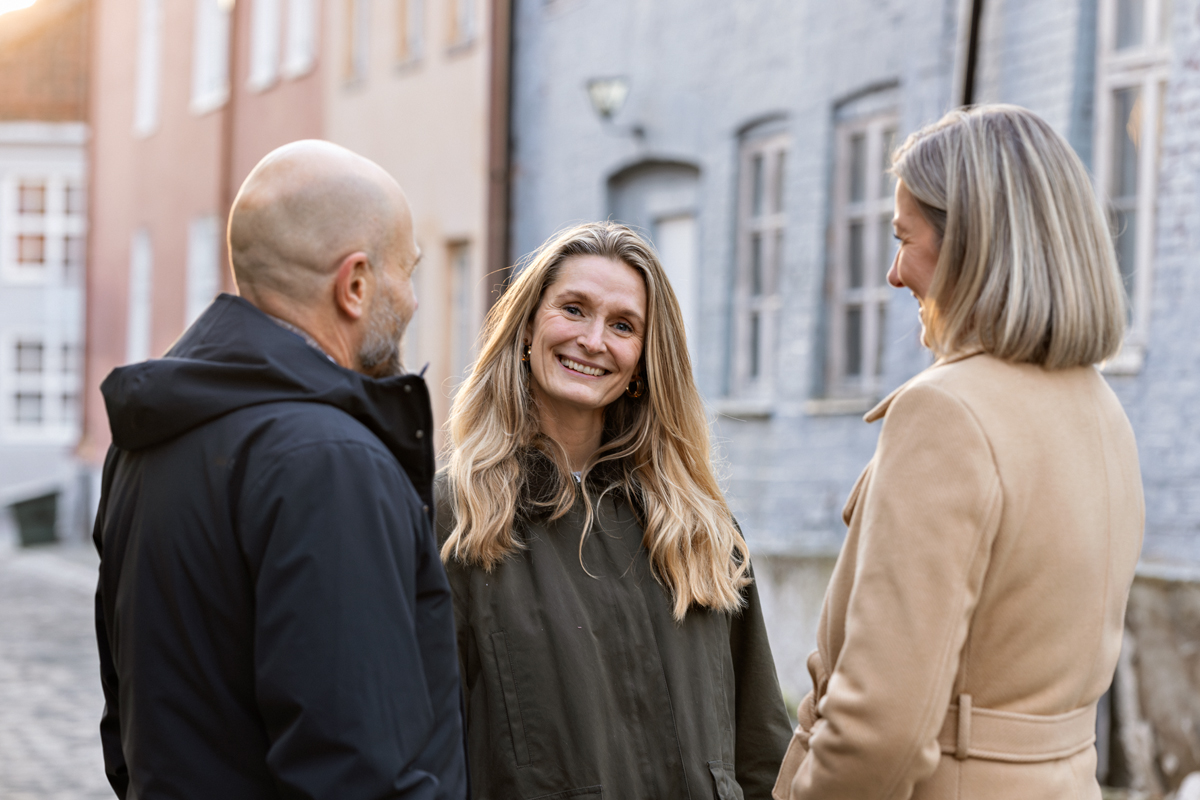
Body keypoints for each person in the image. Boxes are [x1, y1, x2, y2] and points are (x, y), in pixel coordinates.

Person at [773, 105, 1144, 800]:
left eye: (903, 238)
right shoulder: (1099, 407)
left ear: (970, 245)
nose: (892, 274)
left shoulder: (945, 413)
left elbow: (878, 728)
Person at [93, 140, 467, 800]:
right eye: (406, 272)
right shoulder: (331, 462)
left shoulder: (149, 439)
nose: (411, 300)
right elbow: (359, 771)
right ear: (354, 284)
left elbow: (127, 725)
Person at [437, 221, 793, 800]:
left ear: (644, 360)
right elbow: (425, 744)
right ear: (527, 327)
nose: (594, 340)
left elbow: (761, 750)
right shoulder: (459, 517)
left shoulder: (699, 528)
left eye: (623, 325)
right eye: (573, 310)